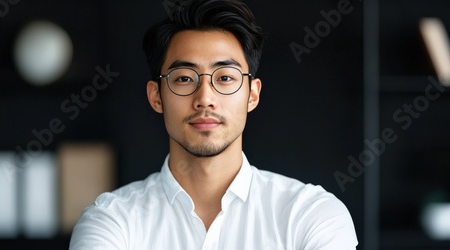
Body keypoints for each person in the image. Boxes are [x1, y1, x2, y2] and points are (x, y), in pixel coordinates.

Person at [70, 0, 358, 249]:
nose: (205, 98)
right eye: (184, 78)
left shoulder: (310, 214)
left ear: (252, 94)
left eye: (225, 78)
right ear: (156, 96)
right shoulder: (111, 220)